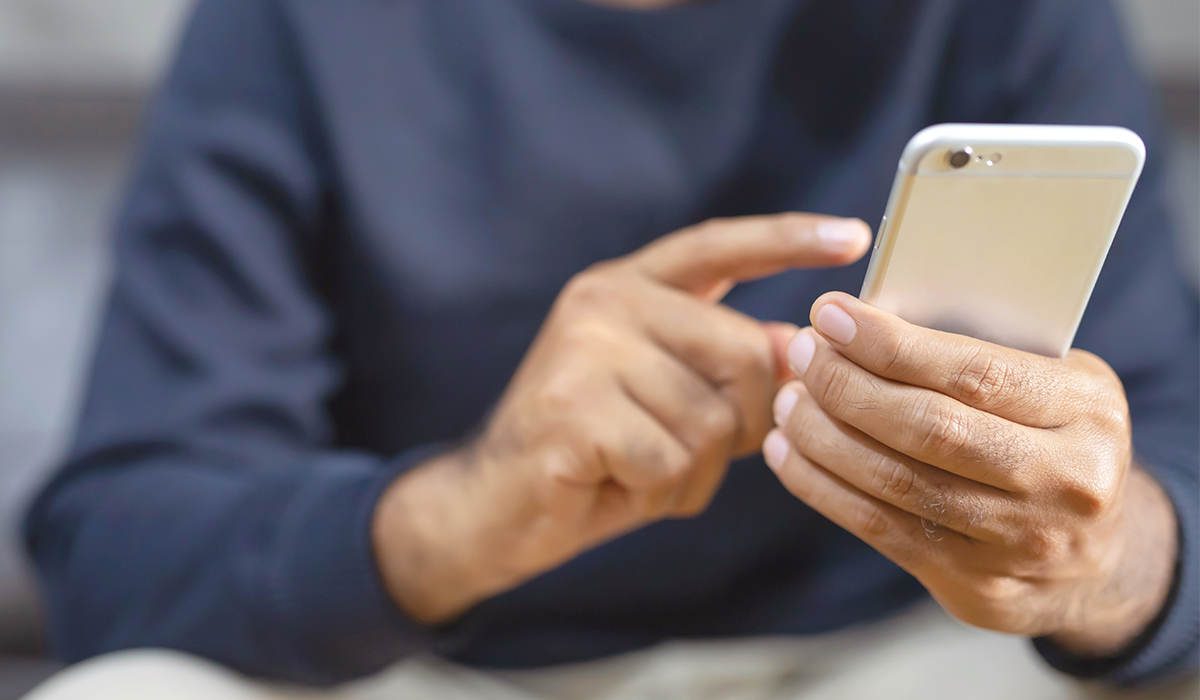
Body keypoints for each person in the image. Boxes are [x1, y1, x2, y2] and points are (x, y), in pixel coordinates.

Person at [21, 0, 1198, 697]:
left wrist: (1103, 563)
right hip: (457, 670)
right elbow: (114, 554)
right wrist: (466, 507)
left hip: (906, 658)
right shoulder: (297, 23)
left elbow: (1176, 461)